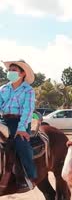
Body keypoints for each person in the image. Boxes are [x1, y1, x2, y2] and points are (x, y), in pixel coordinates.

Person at [0, 60, 37, 190]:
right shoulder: (3, 89)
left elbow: (28, 110)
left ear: (22, 74)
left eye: (13, 70)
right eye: (9, 70)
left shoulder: (28, 90)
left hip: (20, 121)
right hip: (4, 120)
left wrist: (21, 128)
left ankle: (29, 176)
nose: (10, 72)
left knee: (21, 143)